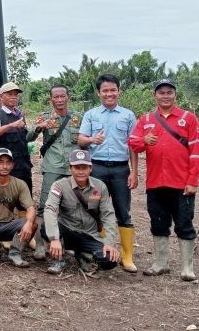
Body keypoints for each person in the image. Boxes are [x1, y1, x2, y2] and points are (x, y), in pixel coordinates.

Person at [129, 78, 199, 282]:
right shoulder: (145, 119)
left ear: (175, 95)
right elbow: (133, 143)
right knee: (158, 223)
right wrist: (144, 141)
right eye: (161, 92)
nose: (165, 96)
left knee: (184, 223)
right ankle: (160, 263)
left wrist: (193, 181)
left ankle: (187, 267)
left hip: (182, 183)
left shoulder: (188, 119)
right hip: (155, 183)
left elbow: (197, 152)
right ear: (155, 95)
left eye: (169, 92)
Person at [78, 73, 138, 272]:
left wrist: (134, 172)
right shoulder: (91, 115)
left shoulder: (128, 115)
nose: (109, 94)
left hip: (121, 170)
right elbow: (81, 140)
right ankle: (99, 251)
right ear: (98, 93)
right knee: (94, 209)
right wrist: (92, 140)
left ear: (119, 91)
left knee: (123, 211)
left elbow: (133, 146)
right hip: (97, 169)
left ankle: (127, 256)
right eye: (105, 90)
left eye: (113, 90)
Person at [27, 84, 82, 260]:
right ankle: (41, 246)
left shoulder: (78, 118)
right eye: (55, 97)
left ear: (68, 97)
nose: (59, 100)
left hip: (72, 170)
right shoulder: (44, 117)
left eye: (62, 96)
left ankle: (67, 244)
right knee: (45, 206)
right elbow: (28, 138)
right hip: (52, 168)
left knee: (71, 208)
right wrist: (39, 127)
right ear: (51, 99)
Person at [44, 149, 120, 275]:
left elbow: (108, 215)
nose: (80, 171)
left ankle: (82, 254)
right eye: (77, 167)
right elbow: (50, 209)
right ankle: (58, 259)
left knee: (109, 260)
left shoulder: (99, 187)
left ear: (91, 168)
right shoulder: (59, 185)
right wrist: (54, 238)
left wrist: (109, 243)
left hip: (89, 235)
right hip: (67, 230)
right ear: (70, 168)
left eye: (84, 167)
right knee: (44, 227)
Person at [0, 82, 31, 192]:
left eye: (15, 94)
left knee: (24, 202)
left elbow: (25, 138)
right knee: (5, 201)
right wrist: (11, 125)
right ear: (1, 97)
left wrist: (38, 128)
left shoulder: (20, 115)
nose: (13, 97)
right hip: (7, 168)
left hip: (23, 167)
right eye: (9, 94)